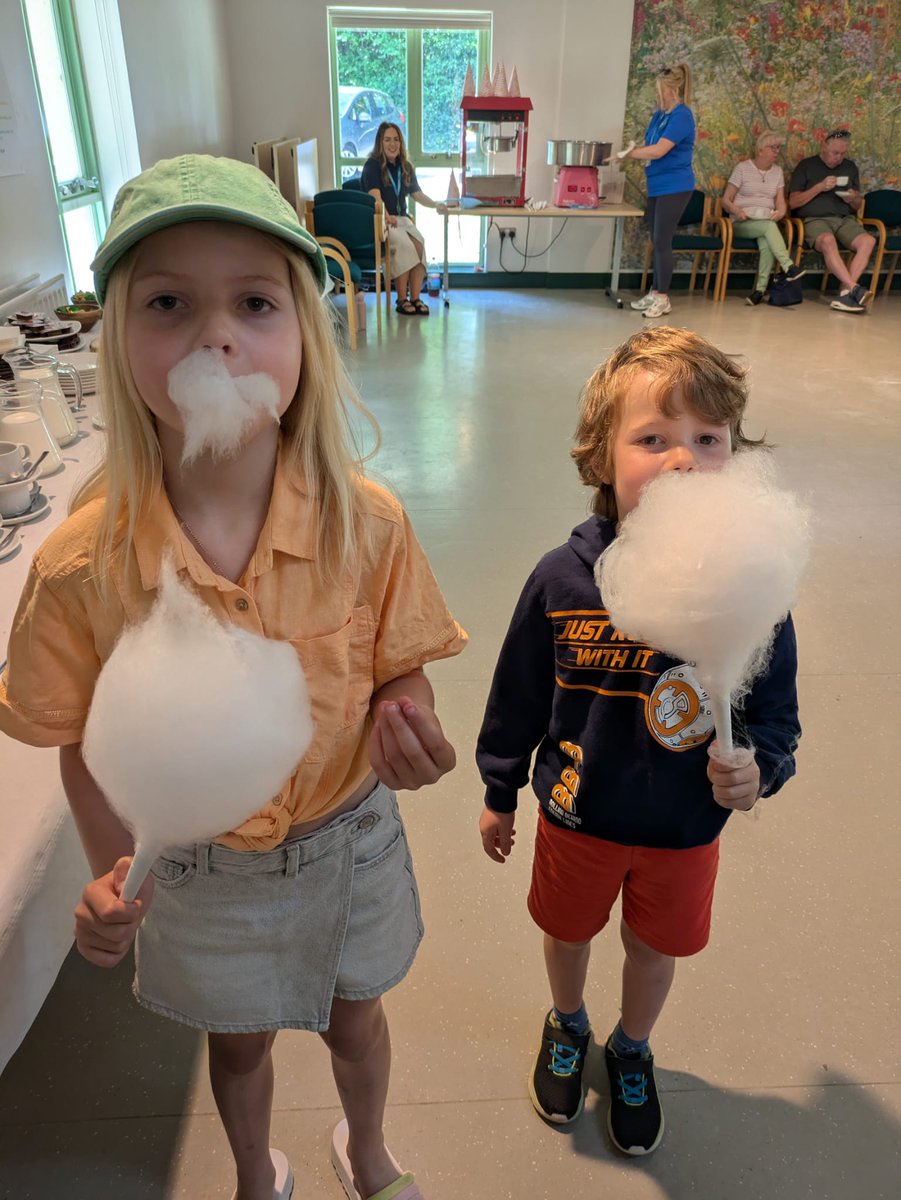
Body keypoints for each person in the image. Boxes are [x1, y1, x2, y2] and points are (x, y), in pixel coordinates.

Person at [0, 154, 467, 1200]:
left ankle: (368, 1150)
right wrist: (111, 870)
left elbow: (399, 666)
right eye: (169, 302)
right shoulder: (79, 568)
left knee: (357, 1019)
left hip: (348, 839)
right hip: (198, 874)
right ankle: (256, 1172)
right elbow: (81, 743)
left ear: (304, 335)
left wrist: (409, 721)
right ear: (117, 338)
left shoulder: (369, 525)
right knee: (240, 1044)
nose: (217, 335)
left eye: (254, 303)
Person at [476, 326, 800, 1158]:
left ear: (736, 458)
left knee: (654, 949)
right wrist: (498, 788)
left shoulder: (749, 586)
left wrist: (758, 769)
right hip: (576, 815)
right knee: (567, 933)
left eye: (707, 439)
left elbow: (774, 717)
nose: (682, 459)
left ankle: (630, 1046)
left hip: (683, 829)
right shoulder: (562, 578)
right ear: (600, 457)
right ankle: (568, 1022)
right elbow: (517, 694)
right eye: (652, 439)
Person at [618, 64, 696, 320]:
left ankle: (663, 297)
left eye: (660, 91)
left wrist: (629, 154)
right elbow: (648, 146)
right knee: (656, 239)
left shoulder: (682, 116)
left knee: (663, 241)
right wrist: (631, 151)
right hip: (657, 185)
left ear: (673, 90)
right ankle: (655, 292)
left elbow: (659, 150)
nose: (658, 95)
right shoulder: (660, 116)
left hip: (675, 186)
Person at [361, 123, 445, 316]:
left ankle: (415, 298)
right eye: (387, 140)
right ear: (380, 143)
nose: (392, 144)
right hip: (382, 220)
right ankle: (401, 300)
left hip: (402, 219)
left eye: (396, 140)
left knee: (420, 245)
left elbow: (417, 194)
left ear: (401, 143)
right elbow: (375, 198)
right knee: (405, 246)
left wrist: (436, 204)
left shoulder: (405, 166)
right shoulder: (372, 165)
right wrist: (386, 215)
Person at [788, 127, 876, 313]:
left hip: (844, 219)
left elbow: (857, 205)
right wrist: (819, 187)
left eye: (842, 154)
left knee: (868, 241)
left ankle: (846, 293)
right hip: (815, 220)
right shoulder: (806, 165)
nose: (839, 158)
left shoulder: (850, 167)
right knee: (827, 240)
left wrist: (853, 198)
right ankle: (854, 289)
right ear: (824, 147)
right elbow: (793, 202)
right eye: (835, 153)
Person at [723, 130, 807, 305]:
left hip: (765, 221)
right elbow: (725, 200)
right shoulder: (742, 168)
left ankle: (759, 291)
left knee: (767, 242)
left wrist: (781, 212)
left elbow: (780, 202)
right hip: (742, 222)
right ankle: (789, 266)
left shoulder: (777, 172)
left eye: (778, 147)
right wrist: (737, 210)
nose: (776, 151)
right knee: (769, 228)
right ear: (760, 150)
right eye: (772, 147)